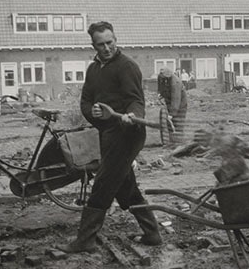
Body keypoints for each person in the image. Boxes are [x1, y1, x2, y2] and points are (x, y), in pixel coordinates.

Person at [56, 21, 161, 253]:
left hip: (128, 133)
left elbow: (136, 99)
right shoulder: (93, 70)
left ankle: (85, 239)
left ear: (116, 39)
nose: (106, 48)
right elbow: (85, 101)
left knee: (103, 182)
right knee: (125, 186)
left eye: (110, 42)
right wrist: (91, 112)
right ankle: (152, 233)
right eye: (101, 44)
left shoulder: (127, 66)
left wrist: (133, 115)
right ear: (93, 45)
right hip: (108, 133)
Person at [157, 66, 188, 142]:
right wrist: (160, 94)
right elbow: (160, 86)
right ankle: (171, 140)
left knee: (178, 121)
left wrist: (172, 113)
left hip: (180, 103)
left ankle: (179, 141)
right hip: (169, 100)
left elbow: (176, 99)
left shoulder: (175, 82)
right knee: (168, 123)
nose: (163, 78)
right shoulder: (161, 77)